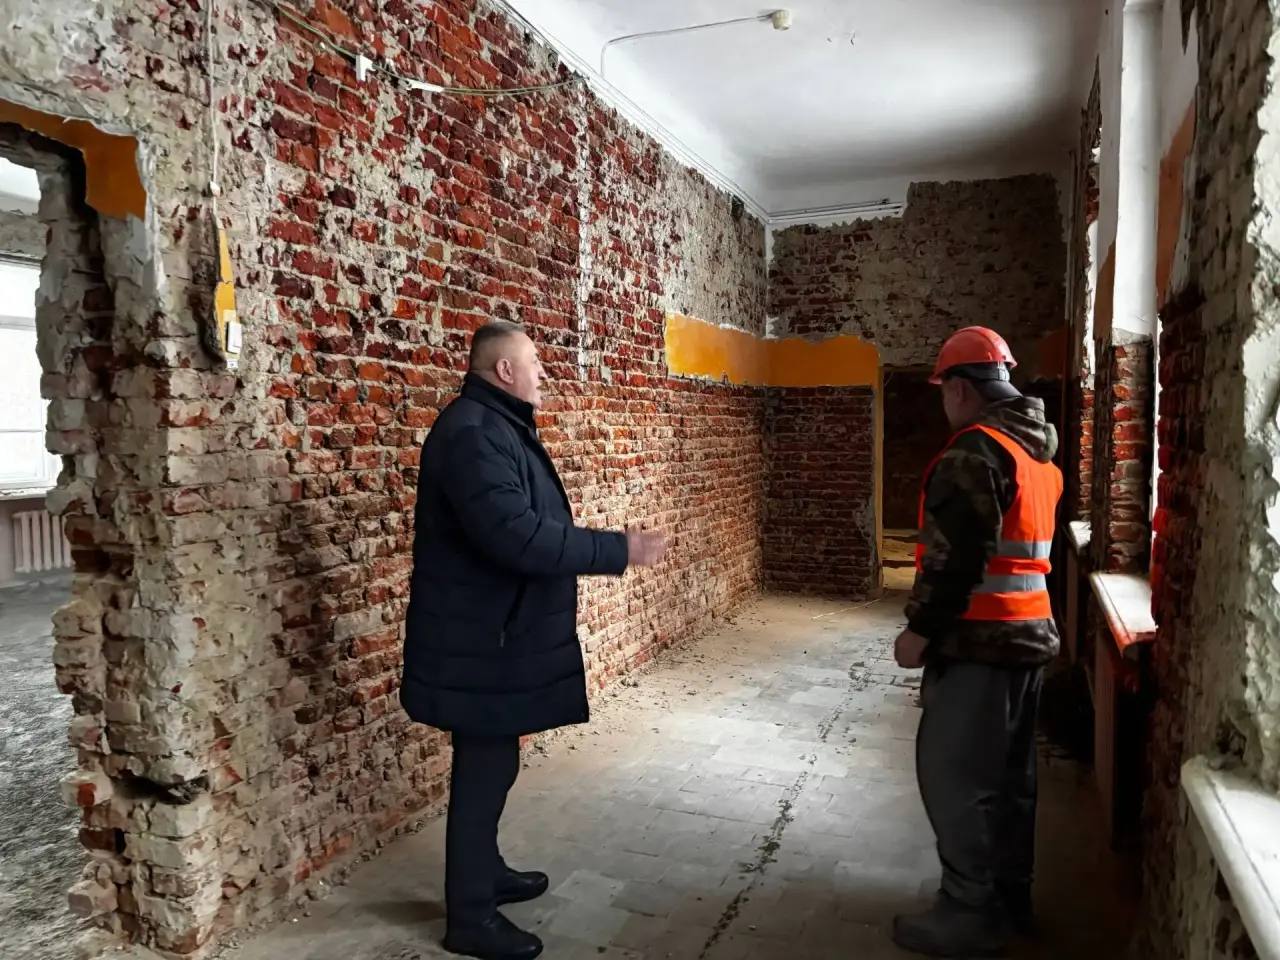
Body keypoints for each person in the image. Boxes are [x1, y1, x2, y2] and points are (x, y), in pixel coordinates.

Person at [401, 321, 668, 960]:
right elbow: (517, 536)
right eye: (535, 363)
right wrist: (618, 549)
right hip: (480, 641)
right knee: (483, 769)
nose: (543, 373)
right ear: (504, 371)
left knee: (496, 761)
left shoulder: (493, 426)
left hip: (492, 635)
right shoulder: (472, 433)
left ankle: (485, 873)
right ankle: (470, 917)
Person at [891, 326, 1063, 958]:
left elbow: (957, 557)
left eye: (943, 390)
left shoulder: (975, 452)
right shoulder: (1037, 452)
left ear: (961, 390)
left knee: (955, 778)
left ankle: (968, 914)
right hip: (1028, 636)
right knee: (1011, 781)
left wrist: (920, 631)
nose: (944, 403)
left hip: (980, 642)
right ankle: (1009, 901)